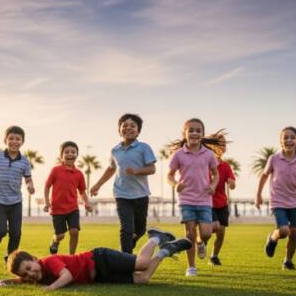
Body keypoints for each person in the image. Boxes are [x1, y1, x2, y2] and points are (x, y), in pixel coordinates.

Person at [0, 228, 190, 290]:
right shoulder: (33, 277)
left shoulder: (48, 262)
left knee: (142, 264)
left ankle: (155, 237)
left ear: (35, 258)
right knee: (143, 279)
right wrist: (5, 280)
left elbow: (67, 276)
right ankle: (165, 251)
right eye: (27, 274)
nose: (32, 274)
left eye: (30, 267)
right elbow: (20, 279)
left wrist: (51, 288)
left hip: (99, 258)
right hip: (98, 277)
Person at [90, 114, 157, 253]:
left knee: (140, 230)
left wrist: (137, 171)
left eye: (133, 126)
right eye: (124, 125)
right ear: (119, 130)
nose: (128, 128)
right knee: (126, 229)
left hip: (141, 195)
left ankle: (129, 244)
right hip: (121, 194)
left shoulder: (144, 147)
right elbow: (111, 168)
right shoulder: (115, 150)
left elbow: (152, 168)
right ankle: (126, 259)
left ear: (138, 131)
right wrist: (98, 185)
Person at [166, 119, 220, 277]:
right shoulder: (178, 155)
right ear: (185, 133)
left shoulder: (209, 154)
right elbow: (169, 175)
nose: (194, 133)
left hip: (204, 200)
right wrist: (175, 184)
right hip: (186, 200)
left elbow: (215, 174)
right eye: (191, 130)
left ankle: (201, 242)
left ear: (202, 134)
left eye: (198, 130)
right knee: (189, 233)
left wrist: (213, 185)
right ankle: (191, 267)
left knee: (206, 233)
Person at [255, 126, 296, 271]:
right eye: (285, 138)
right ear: (281, 142)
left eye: (292, 137)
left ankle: (288, 261)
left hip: (294, 202)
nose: (289, 140)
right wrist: (258, 195)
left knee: (294, 233)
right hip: (278, 202)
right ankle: (273, 237)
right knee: (284, 231)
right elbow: (264, 176)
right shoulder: (274, 159)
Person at [0, 126, 35, 262]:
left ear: (22, 141)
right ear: (5, 140)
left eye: (18, 139)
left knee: (16, 233)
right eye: (11, 138)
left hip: (16, 201)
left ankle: (11, 259)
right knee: (1, 230)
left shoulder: (24, 161)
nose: (14, 141)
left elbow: (28, 178)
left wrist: (30, 185)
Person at [44, 141, 93, 255]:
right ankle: (55, 241)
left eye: (73, 152)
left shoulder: (79, 174)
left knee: (74, 231)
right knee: (60, 236)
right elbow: (47, 187)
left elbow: (82, 191)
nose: (70, 154)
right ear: (62, 156)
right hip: (57, 209)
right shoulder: (55, 170)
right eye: (66, 152)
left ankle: (71, 257)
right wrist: (47, 203)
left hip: (72, 208)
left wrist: (86, 203)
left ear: (77, 155)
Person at [209, 133, 236, 266]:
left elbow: (232, 183)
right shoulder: (205, 164)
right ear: (210, 146)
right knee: (214, 227)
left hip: (222, 204)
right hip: (207, 203)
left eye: (224, 144)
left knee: (221, 232)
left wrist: (231, 183)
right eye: (219, 144)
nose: (222, 146)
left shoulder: (226, 166)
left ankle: (214, 256)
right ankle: (199, 239)